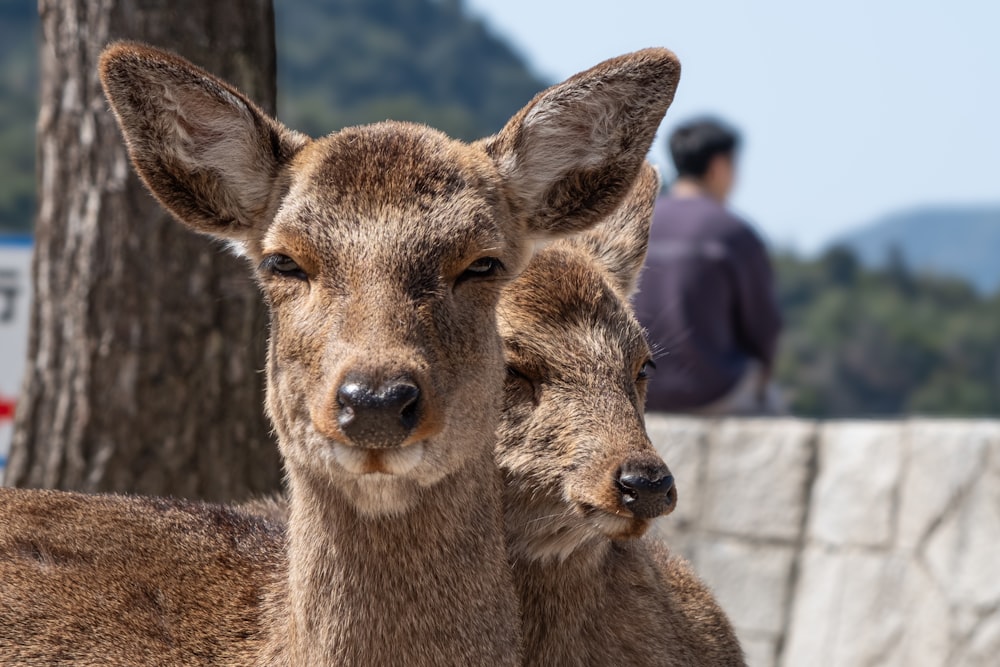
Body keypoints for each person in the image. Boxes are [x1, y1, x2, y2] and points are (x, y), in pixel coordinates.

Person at [634, 117, 784, 415]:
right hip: (714, 390)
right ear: (719, 167)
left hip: (635, 387)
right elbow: (763, 327)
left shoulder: (637, 225)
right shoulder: (733, 232)